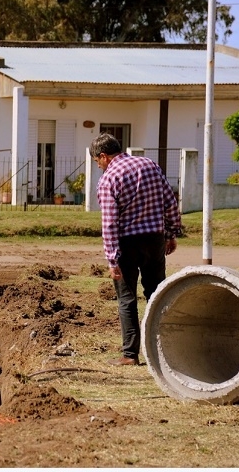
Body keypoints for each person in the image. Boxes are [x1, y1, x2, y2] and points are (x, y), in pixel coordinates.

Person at [89, 133, 182, 366]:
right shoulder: (149, 165)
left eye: (97, 161)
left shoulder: (109, 179)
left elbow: (109, 223)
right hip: (154, 240)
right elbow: (170, 202)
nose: (98, 166)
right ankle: (162, 350)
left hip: (127, 245)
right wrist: (170, 234)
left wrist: (112, 260)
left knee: (127, 299)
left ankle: (130, 355)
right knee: (156, 293)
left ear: (103, 156)